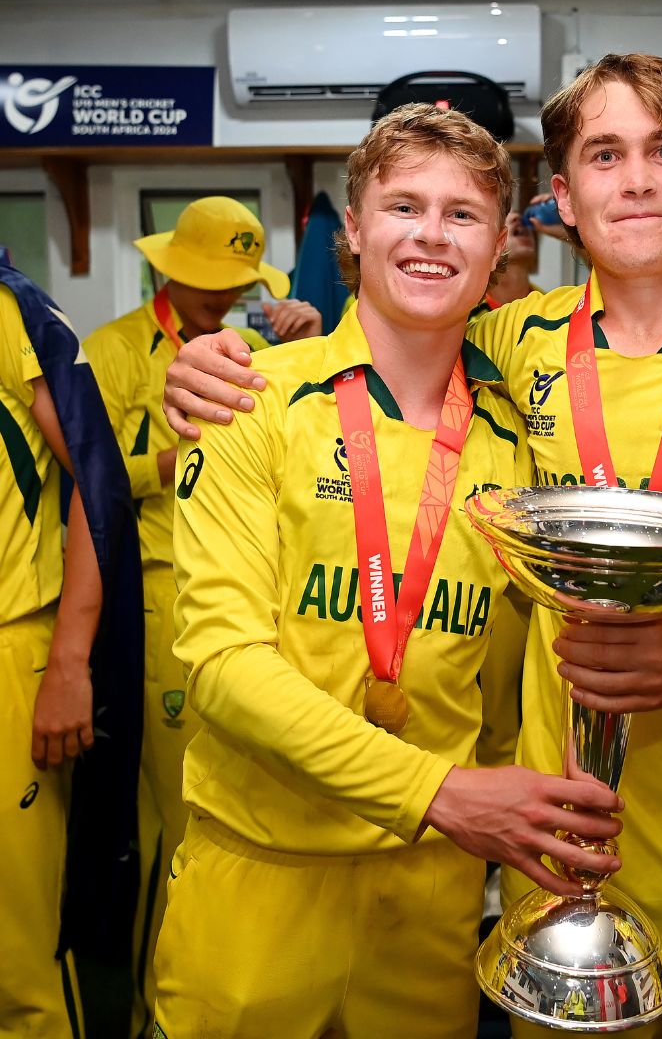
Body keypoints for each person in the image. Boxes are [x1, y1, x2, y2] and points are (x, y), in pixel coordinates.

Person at [161, 54, 662, 1037]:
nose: (639, 180)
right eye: (605, 154)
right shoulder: (514, 351)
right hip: (548, 877)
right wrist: (209, 363)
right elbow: (394, 346)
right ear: (562, 200)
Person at [152, 104, 622, 1039]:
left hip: (433, 882)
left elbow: (516, 671)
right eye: (404, 205)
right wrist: (445, 793)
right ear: (354, 228)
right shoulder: (250, 401)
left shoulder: (517, 444)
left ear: (500, 251)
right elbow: (222, 667)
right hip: (263, 869)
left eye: (463, 214)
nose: (431, 234)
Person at [83, 195, 322, 1038]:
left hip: (261, 605)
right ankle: (160, 1010)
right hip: (155, 596)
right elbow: (92, 483)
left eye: (236, 282)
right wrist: (174, 455)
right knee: (179, 821)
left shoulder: (255, 348)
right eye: (206, 280)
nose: (219, 299)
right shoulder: (114, 351)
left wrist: (304, 353)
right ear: (165, 266)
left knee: (248, 808)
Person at [0, 257, 143, 1035]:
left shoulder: (7, 313)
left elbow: (98, 481)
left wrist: (67, 661)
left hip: (9, 651)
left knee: (23, 964)